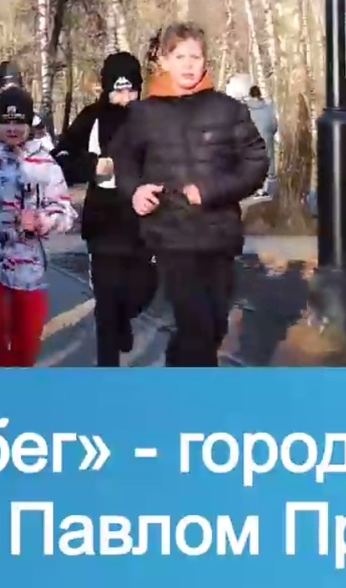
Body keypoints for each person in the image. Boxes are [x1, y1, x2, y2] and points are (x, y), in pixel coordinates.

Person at [108, 23, 270, 368]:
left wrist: (211, 191)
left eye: (194, 57)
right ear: (164, 62)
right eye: (179, 56)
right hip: (171, 234)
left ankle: (178, 374)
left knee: (214, 325)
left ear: (205, 61)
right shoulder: (143, 114)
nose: (187, 64)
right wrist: (135, 191)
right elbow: (123, 161)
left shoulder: (228, 109)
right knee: (196, 325)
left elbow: (256, 162)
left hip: (218, 233)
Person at [0, 87, 75, 367]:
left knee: (28, 340)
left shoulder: (45, 163)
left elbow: (66, 212)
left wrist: (44, 220)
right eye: (6, 122)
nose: (12, 129)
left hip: (30, 268)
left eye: (19, 122)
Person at [56, 51, 155, 367]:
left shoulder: (152, 118)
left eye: (130, 90)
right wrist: (91, 166)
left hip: (141, 224)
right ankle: (106, 372)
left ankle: (125, 318)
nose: (125, 98)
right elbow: (61, 157)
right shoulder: (92, 117)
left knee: (141, 292)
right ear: (106, 88)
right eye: (118, 90)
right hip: (103, 224)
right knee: (107, 302)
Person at [224, 74, 278, 200]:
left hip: (254, 139)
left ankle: (259, 190)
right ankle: (270, 188)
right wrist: (271, 132)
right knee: (269, 160)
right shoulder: (268, 106)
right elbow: (274, 123)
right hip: (267, 135)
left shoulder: (246, 108)